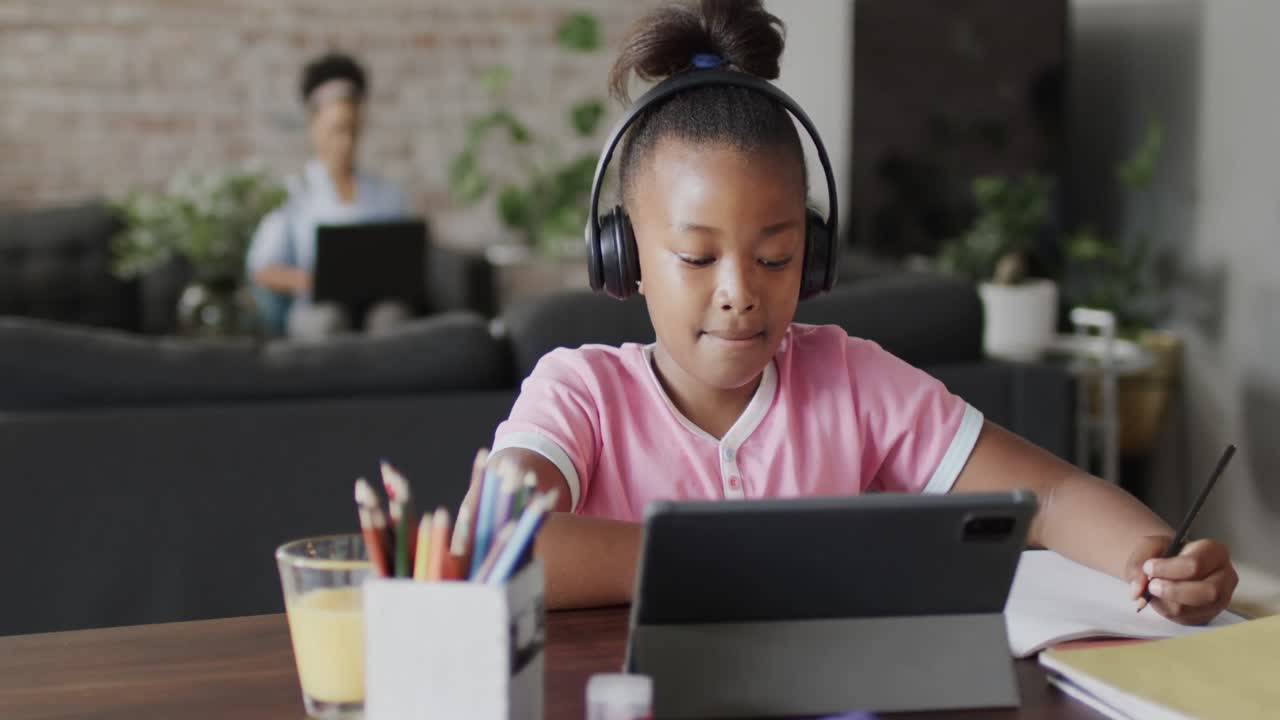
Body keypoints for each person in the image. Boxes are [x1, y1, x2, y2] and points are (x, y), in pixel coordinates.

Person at [486, 0, 1239, 619]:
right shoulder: (578, 392)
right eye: (697, 256)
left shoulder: (853, 381)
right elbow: (502, 539)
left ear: (811, 258)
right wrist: (719, 555)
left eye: (775, 256)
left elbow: (1045, 494)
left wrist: (1151, 554)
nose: (740, 290)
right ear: (624, 259)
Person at [247, 52, 412, 339]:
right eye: (336, 130)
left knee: (390, 318)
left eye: (353, 131)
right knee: (329, 319)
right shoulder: (293, 193)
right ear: (314, 126)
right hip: (317, 307)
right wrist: (315, 281)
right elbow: (261, 268)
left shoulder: (386, 195)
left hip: (376, 306)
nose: (346, 142)